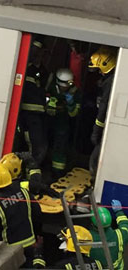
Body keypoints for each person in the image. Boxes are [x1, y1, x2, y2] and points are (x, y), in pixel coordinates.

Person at [0, 162, 42, 268]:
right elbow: (37, 215)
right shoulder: (24, 192)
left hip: (10, 252)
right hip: (30, 245)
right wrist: (36, 236)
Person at [45, 68, 82, 177]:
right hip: (46, 120)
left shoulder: (75, 92)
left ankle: (57, 172)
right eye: (63, 86)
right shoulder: (50, 87)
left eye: (67, 86)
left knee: (60, 147)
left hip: (63, 122)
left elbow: (74, 113)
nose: (65, 89)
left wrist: (70, 104)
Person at [19, 38, 48, 166]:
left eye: (40, 53)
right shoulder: (27, 69)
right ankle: (31, 173)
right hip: (29, 114)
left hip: (39, 114)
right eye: (35, 52)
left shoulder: (42, 72)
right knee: (35, 145)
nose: (38, 55)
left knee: (38, 144)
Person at [89, 46, 117, 176]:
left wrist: (96, 131)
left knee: (95, 160)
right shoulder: (110, 80)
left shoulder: (110, 83)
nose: (99, 73)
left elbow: (104, 108)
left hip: (105, 126)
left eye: (99, 70)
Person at [89, 201, 128, 270]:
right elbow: (125, 225)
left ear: (91, 223)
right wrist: (119, 211)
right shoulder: (119, 235)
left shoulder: (85, 238)